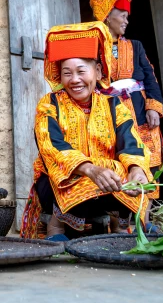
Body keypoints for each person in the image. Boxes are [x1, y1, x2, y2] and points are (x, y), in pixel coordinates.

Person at [20, 21, 151, 240]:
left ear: (98, 71)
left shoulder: (114, 105)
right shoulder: (50, 104)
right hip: (62, 183)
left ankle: (120, 226)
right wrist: (90, 169)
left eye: (81, 71)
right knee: (63, 173)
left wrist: (136, 169)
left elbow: (131, 141)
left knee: (135, 176)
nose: (74, 80)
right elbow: (52, 147)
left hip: (108, 181)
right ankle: (57, 226)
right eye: (67, 73)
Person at [90, 0, 163, 170]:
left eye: (127, 17)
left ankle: (149, 201)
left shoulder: (136, 46)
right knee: (117, 162)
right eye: (123, 16)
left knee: (148, 162)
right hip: (108, 111)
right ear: (108, 16)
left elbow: (150, 77)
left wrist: (153, 107)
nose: (126, 21)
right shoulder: (92, 48)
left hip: (139, 111)